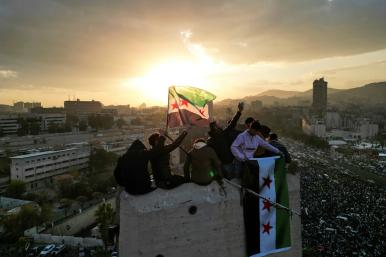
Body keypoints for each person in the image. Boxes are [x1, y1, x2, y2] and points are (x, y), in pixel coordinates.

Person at [114, 138, 185, 195]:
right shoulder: (141, 154)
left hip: (129, 190)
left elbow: (117, 174)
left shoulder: (122, 158)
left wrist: (125, 184)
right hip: (143, 188)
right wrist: (162, 138)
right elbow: (156, 151)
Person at [207, 102, 244, 179]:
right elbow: (232, 124)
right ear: (215, 129)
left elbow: (232, 124)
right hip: (227, 163)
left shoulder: (210, 141)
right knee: (232, 180)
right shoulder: (222, 134)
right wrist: (239, 111)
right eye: (216, 125)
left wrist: (239, 112)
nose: (218, 125)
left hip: (221, 164)